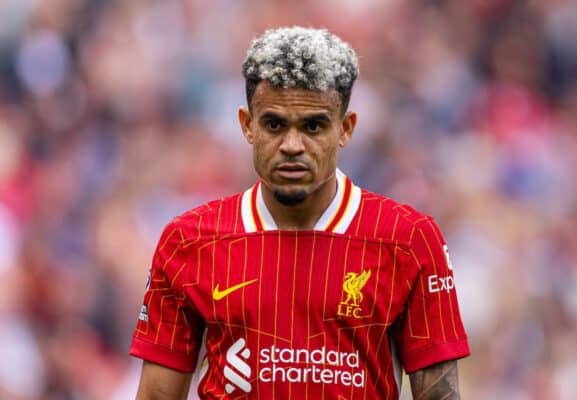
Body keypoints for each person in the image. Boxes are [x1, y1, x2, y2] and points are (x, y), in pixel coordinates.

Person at [130, 26, 470, 399]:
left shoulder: (408, 239)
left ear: (345, 128)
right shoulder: (189, 241)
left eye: (313, 126)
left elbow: (439, 395)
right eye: (274, 124)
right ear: (247, 125)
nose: (292, 145)